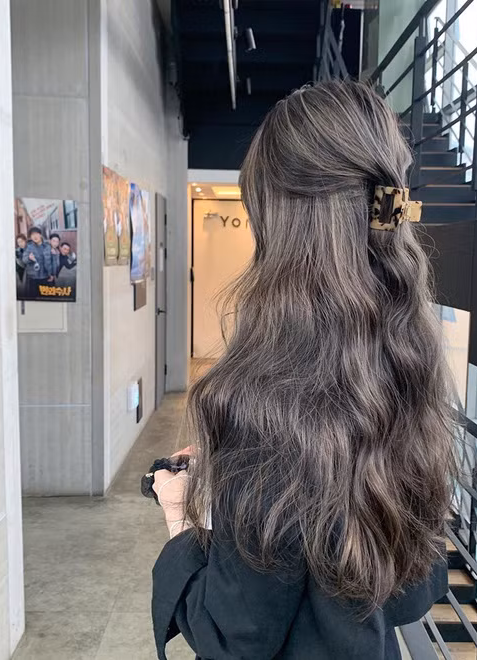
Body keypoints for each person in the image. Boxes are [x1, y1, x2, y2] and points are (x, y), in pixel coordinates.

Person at [151, 80, 456, 660]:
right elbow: (413, 591)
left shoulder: (263, 402)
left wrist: (179, 517)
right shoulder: (407, 367)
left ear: (280, 224)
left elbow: (233, 636)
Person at [22, 227, 54, 298]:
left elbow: (52, 261)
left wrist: (52, 273)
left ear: (40, 235)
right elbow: (24, 260)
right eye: (32, 235)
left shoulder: (48, 246)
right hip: (33, 278)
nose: (35, 236)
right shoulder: (28, 247)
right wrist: (29, 258)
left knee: (46, 298)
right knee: (34, 298)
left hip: (45, 276)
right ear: (30, 237)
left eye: (36, 234)